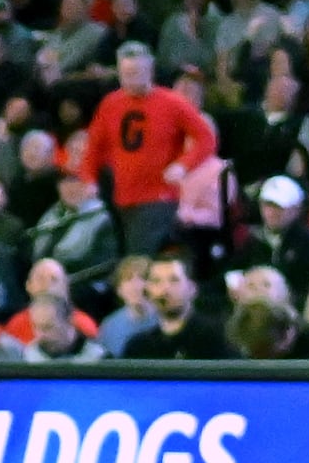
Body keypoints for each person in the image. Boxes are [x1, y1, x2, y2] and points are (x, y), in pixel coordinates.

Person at [87, 43, 220, 258]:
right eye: (126, 74)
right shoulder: (111, 103)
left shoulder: (172, 102)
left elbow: (206, 138)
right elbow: (94, 146)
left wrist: (183, 165)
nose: (131, 80)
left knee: (140, 258)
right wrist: (89, 179)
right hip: (120, 196)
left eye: (136, 73)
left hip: (158, 196)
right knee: (121, 259)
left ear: (150, 71)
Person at [117, 255, 235, 361]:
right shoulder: (139, 347)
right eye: (156, 281)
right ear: (148, 290)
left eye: (174, 280)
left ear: (192, 288)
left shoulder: (217, 339)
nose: (165, 289)